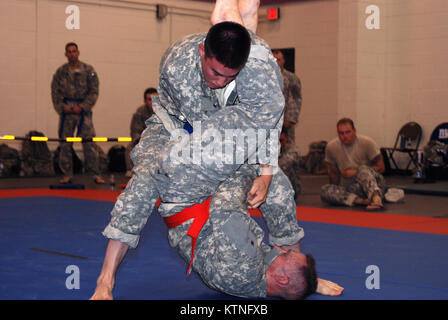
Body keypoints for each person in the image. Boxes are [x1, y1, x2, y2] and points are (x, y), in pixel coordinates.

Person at [91, 0, 343, 300]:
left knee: (278, 188)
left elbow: (268, 120)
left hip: (227, 134)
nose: (220, 80)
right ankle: (105, 280)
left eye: (229, 75)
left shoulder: (258, 70)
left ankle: (299, 275)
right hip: (177, 128)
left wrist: (264, 173)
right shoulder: (179, 62)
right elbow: (198, 133)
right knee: (145, 180)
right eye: (214, 72)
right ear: (202, 52)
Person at [51, 42, 104, 184]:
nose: (72, 54)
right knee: (65, 145)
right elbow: (54, 92)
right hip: (67, 112)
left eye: (74, 51)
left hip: (83, 113)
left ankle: (95, 174)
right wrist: (62, 107)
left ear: (78, 52)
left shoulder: (88, 70)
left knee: (89, 144)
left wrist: (84, 106)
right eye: (69, 51)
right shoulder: (60, 72)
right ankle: (67, 174)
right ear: (65, 54)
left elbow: (94, 90)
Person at [321, 118, 386, 210]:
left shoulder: (367, 143)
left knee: (362, 169)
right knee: (325, 190)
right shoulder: (331, 147)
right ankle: (361, 201)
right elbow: (333, 173)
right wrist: (335, 191)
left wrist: (355, 172)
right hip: (353, 188)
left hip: (372, 183)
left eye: (348, 132)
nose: (344, 136)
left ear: (354, 131)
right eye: (341, 133)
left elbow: (381, 167)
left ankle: (376, 198)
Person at [125, 88, 158, 178]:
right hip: (145, 140)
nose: (153, 102)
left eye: (155, 98)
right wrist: (145, 141)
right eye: (150, 99)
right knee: (130, 147)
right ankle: (132, 172)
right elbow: (135, 131)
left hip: (161, 140)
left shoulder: (165, 111)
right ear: (145, 101)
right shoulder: (140, 112)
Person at [272, 49, 302, 145]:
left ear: (283, 61)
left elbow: (297, 99)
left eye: (278, 59)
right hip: (271, 120)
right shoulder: (265, 78)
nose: (276, 62)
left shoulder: (292, 78)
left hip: (287, 120)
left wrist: (292, 119)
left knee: (288, 144)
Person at [279, 126, 302, 204]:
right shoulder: (270, 147)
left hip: (292, 187)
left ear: (287, 138)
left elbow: (283, 165)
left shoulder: (293, 150)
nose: (279, 144)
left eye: (281, 141)